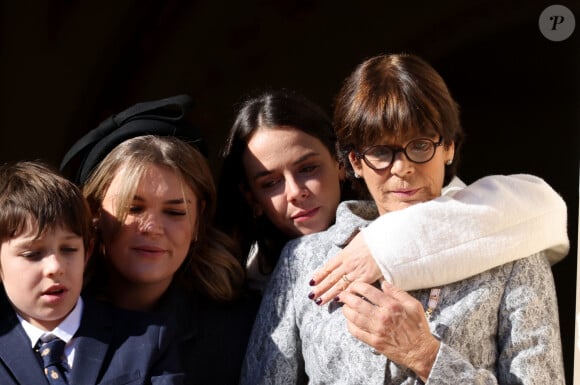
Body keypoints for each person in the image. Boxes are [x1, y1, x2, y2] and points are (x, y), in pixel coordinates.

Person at [240, 53, 566, 384]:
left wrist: (424, 355)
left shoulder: (513, 253)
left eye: (420, 145)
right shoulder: (305, 260)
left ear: (448, 147)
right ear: (354, 161)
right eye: (381, 152)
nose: (402, 167)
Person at [217, 89, 568, 297]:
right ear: (251, 198)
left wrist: (384, 245)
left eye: (308, 168)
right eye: (270, 183)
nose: (295, 192)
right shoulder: (249, 279)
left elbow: (546, 209)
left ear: (342, 162)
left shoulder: (409, 200)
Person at [60, 95, 257, 385]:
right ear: (93, 212)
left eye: (175, 211)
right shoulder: (47, 317)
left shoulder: (240, 329)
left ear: (199, 221)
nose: (152, 227)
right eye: (134, 208)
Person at [0, 161, 184, 384]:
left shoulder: (146, 340)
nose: (55, 267)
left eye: (69, 249)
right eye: (33, 254)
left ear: (87, 252)